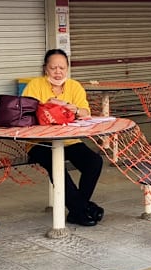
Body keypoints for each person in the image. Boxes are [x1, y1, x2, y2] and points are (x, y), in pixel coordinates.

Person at [22, 49, 104, 226]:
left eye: (62, 68)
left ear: (67, 68)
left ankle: (78, 210)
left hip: (69, 139)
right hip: (40, 142)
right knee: (56, 165)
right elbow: (26, 114)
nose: (58, 72)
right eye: (53, 68)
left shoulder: (74, 86)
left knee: (94, 162)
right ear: (45, 69)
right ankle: (82, 210)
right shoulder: (35, 85)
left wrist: (74, 108)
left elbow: (86, 112)